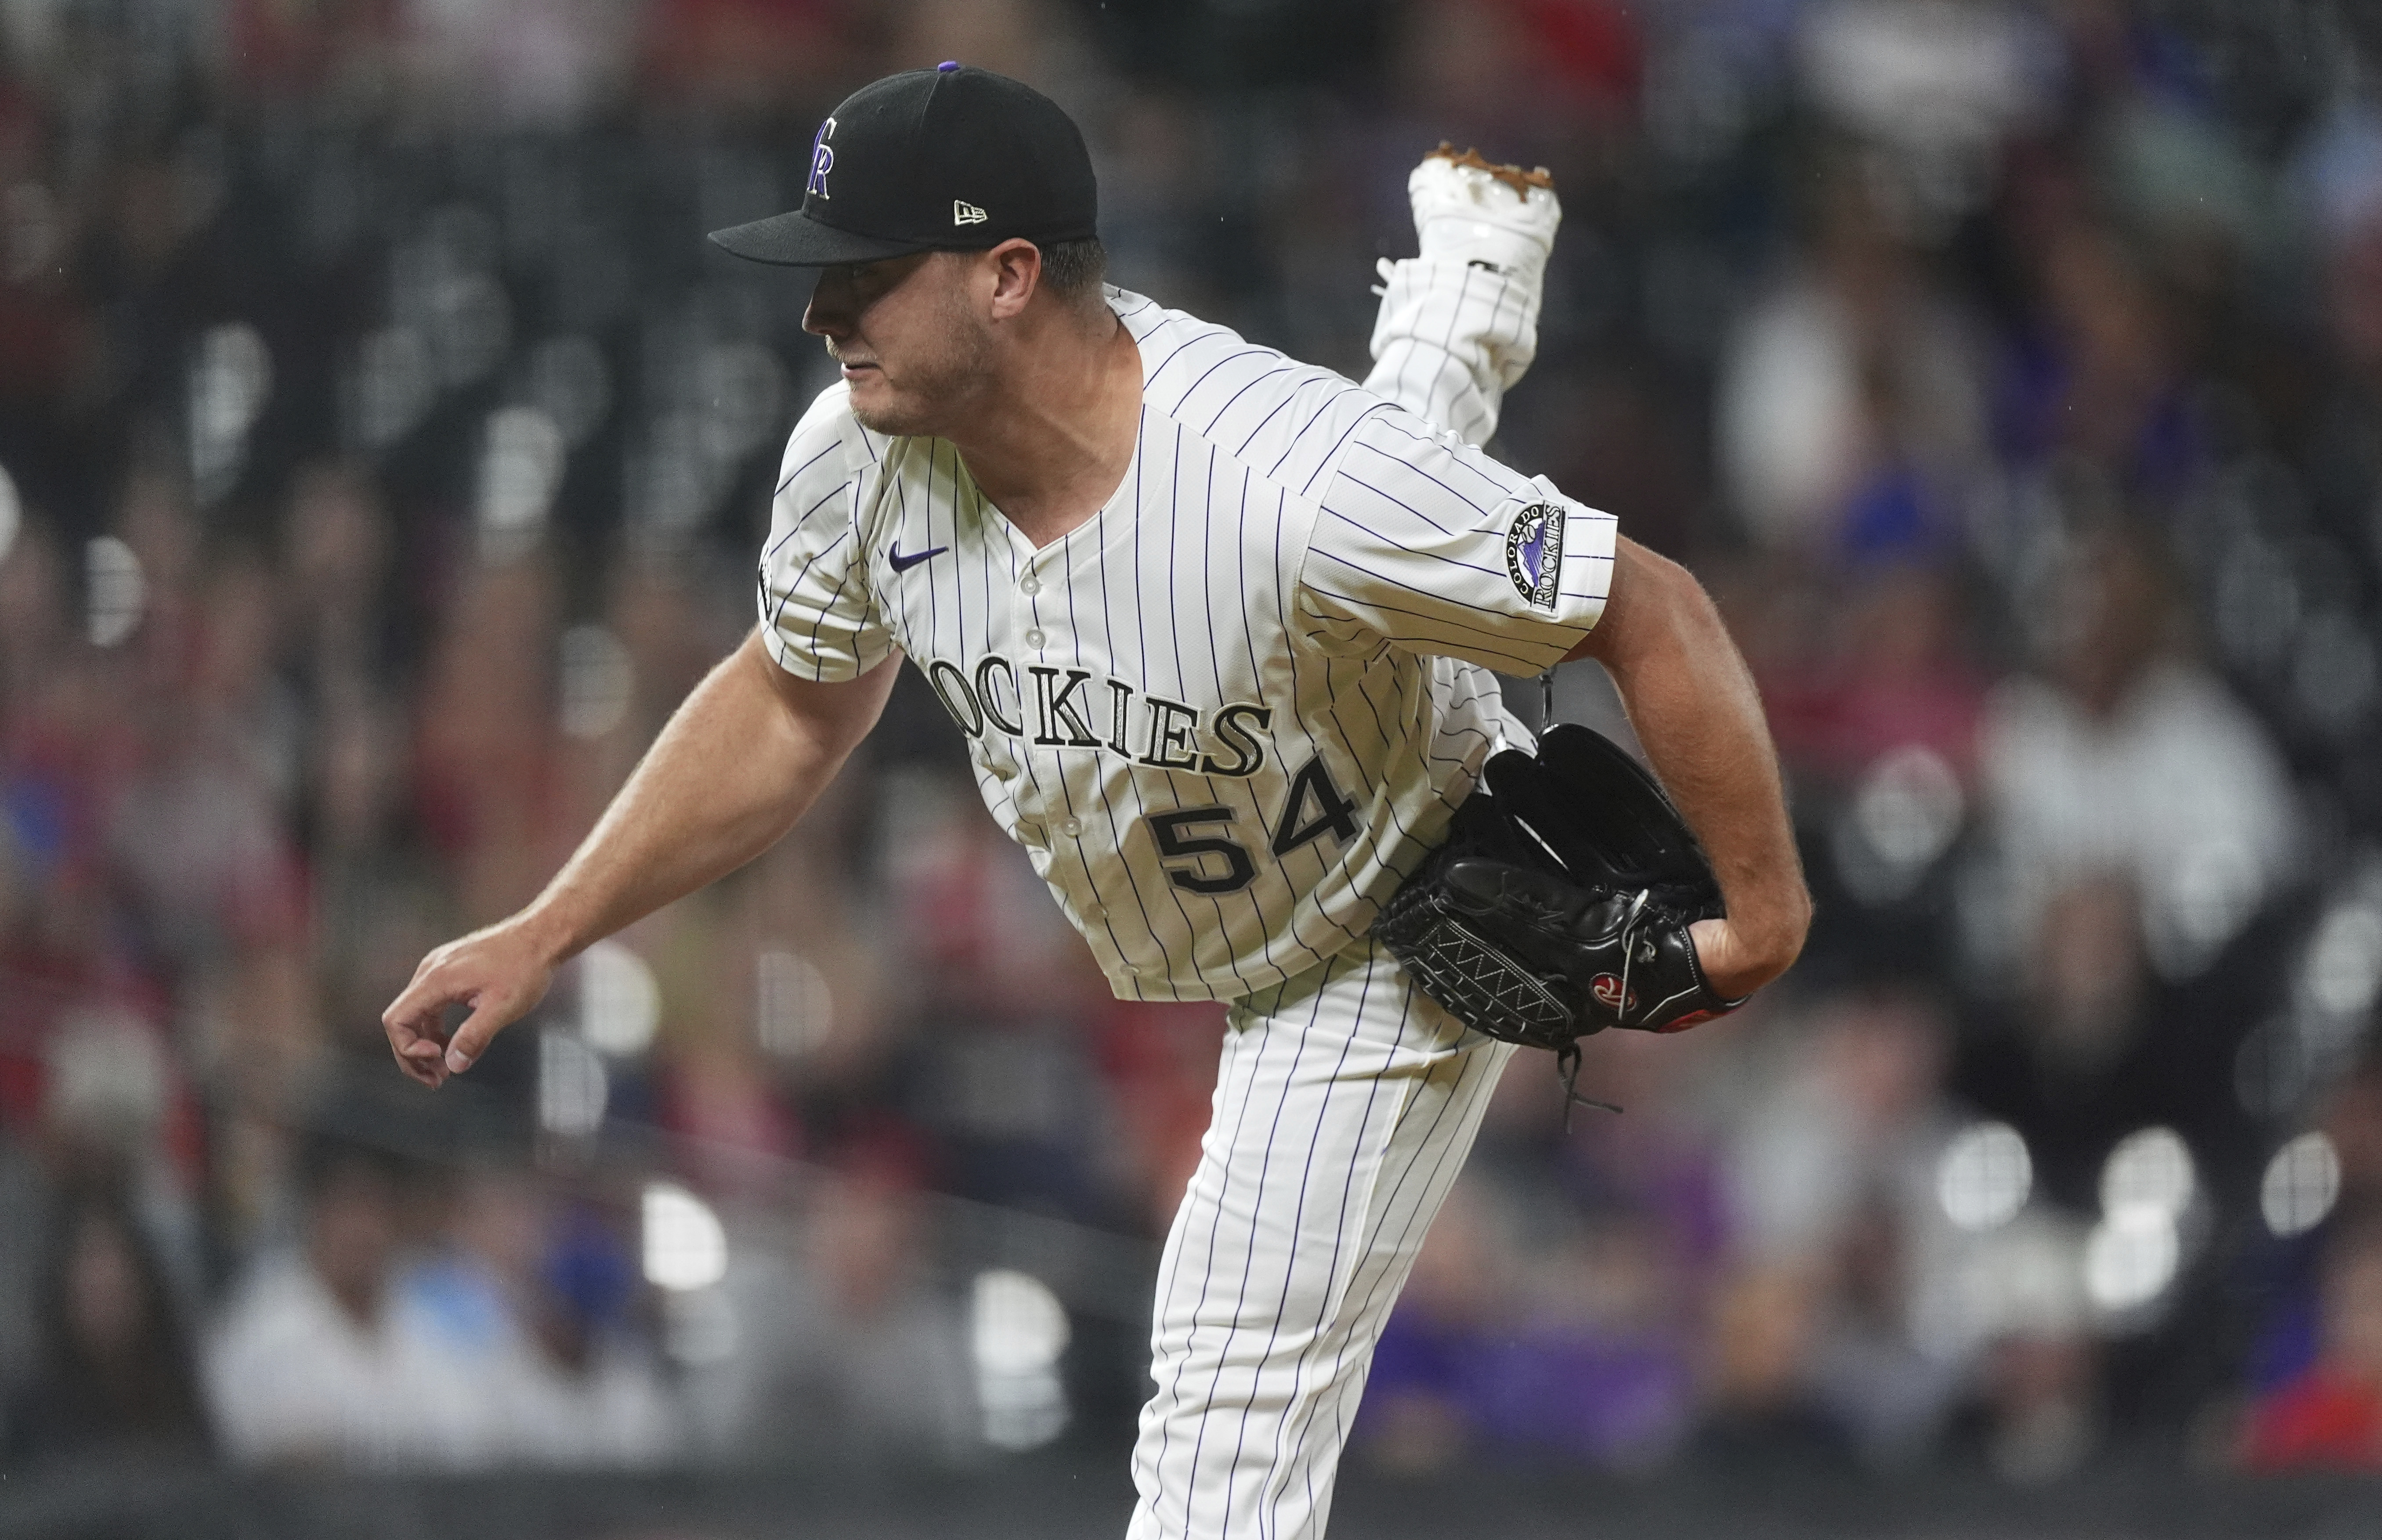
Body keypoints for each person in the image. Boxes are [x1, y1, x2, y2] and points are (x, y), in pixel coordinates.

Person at [382, 65, 1807, 1536]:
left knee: (1220, 1428)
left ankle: (1456, 329)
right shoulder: (858, 460)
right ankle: (1458, 314)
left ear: (1008, 275)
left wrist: (1762, 919)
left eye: (862, 273)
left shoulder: (1274, 476)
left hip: (1396, 902)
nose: (820, 314)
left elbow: (1655, 610)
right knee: (1367, 528)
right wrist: (549, 929)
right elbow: (793, 698)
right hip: (1254, 822)